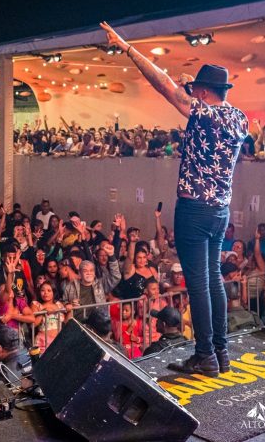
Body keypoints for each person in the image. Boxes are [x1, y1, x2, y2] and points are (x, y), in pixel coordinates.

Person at [101, 22, 248, 377]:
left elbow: (166, 87)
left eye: (197, 91)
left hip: (194, 210)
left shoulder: (204, 113)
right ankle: (221, 353)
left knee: (198, 284)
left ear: (204, 92)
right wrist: (190, 86)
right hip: (219, 210)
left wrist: (127, 48)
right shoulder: (238, 118)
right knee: (213, 279)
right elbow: (185, 93)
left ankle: (205, 356)